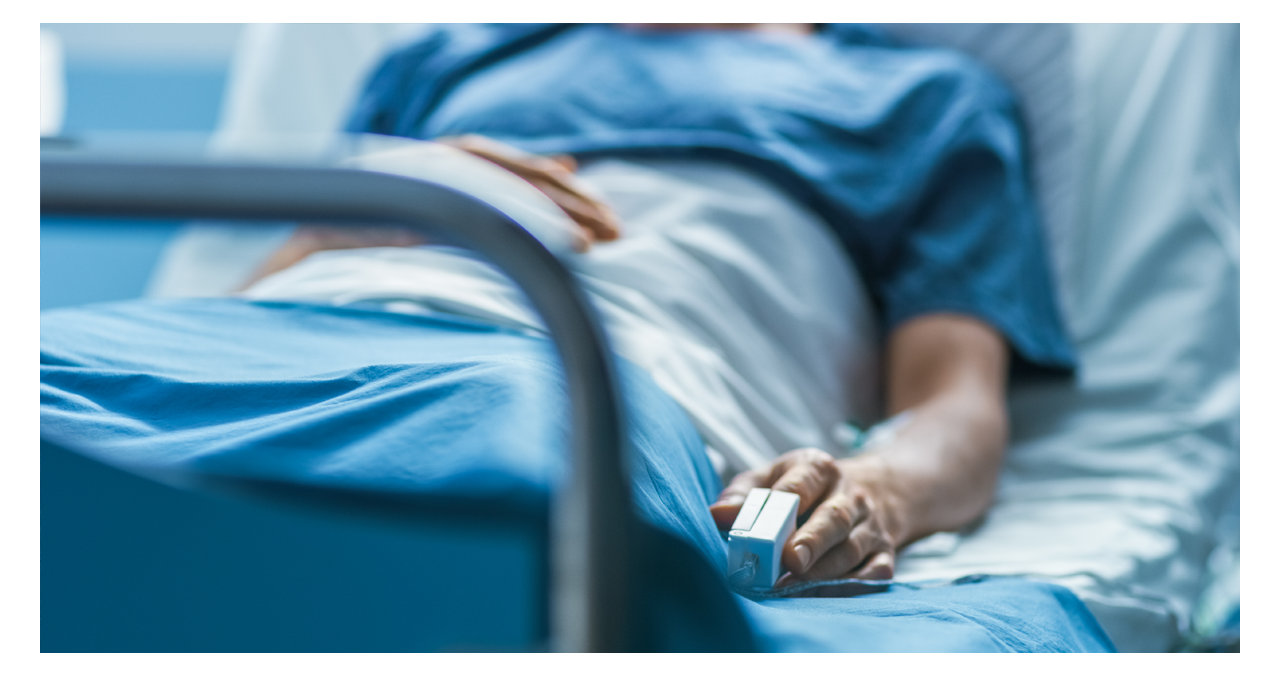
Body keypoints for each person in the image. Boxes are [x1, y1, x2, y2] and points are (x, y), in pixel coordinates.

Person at [242, 23, 1075, 588]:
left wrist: (874, 488)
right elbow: (239, 304)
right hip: (281, 340)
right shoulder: (443, 61)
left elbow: (952, 402)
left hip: (583, 372)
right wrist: (360, 210)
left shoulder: (925, 99)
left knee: (450, 510)